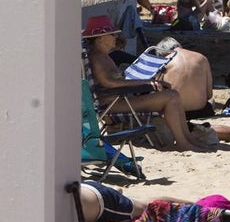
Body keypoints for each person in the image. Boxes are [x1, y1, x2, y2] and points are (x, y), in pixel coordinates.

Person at [83, 16, 211, 152]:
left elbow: (112, 80)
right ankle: (182, 142)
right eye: (112, 34)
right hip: (113, 105)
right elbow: (108, 82)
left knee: (173, 95)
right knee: (170, 97)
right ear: (100, 37)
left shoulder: (102, 56)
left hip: (119, 100)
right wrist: (146, 82)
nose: (115, 37)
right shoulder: (97, 57)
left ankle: (187, 139)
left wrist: (137, 81)